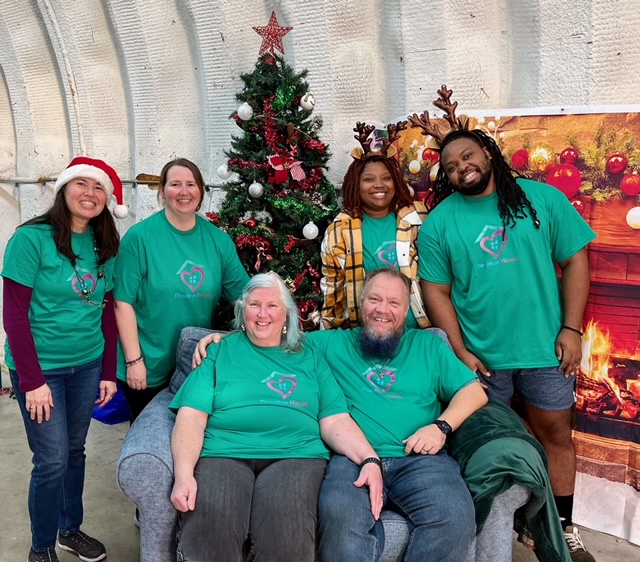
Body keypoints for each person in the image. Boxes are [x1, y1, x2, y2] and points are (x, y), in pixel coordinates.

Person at [196, 268, 487, 561]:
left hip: (419, 459)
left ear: (406, 309)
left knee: (455, 517)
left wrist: (440, 427)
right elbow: (271, 332)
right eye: (374, 299)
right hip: (351, 460)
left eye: (393, 303)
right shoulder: (327, 344)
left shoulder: (429, 346)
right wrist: (223, 340)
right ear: (361, 303)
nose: (382, 310)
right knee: (340, 518)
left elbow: (474, 392)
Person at [419, 128, 596, 562]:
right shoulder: (440, 222)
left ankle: (562, 528)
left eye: (467, 156)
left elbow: (575, 259)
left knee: (556, 436)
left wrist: (571, 329)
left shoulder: (543, 199)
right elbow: (435, 290)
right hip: (482, 360)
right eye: (451, 166)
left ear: (487, 151)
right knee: (483, 445)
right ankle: (486, 529)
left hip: (545, 351)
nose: (462, 168)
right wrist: (459, 351)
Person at [169, 272, 383, 561]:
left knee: (287, 541)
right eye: (254, 305)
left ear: (287, 314)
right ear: (242, 311)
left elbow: (334, 420)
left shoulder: (309, 355)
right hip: (224, 452)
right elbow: (191, 417)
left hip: (295, 455)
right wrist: (183, 475)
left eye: (272, 306)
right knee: (211, 533)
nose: (262, 314)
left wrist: (369, 459)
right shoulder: (218, 352)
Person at [2, 157, 125, 562]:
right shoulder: (31, 239)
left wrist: (108, 372)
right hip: (42, 369)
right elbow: (14, 315)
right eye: (81, 184)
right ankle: (40, 549)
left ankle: (69, 530)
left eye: (99, 187)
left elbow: (106, 311)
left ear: (107, 198)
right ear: (64, 189)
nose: (90, 194)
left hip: (87, 364)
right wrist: (32, 380)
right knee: (51, 460)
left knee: (74, 451)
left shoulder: (104, 243)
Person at [114, 157, 249, 421]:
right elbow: (122, 301)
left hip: (194, 362)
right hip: (148, 362)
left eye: (191, 184)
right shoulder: (139, 238)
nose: (184, 192)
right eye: (175, 184)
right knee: (148, 433)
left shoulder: (218, 240)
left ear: (200, 191)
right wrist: (134, 361)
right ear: (162, 191)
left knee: (189, 432)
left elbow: (242, 298)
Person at [320, 124, 429, 330]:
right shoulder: (339, 231)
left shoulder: (418, 217)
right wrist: (328, 334)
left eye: (386, 178)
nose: (379, 185)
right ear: (355, 185)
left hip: (419, 329)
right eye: (369, 179)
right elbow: (333, 291)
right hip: (370, 334)